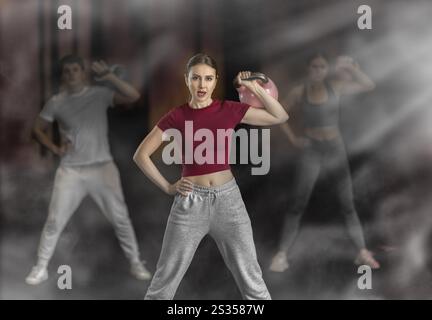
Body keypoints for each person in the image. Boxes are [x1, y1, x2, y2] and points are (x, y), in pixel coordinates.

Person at [133, 53, 288, 299]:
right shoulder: (177, 116)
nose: (202, 85)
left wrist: (252, 87)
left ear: (215, 81)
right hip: (189, 203)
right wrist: (167, 187)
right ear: (187, 80)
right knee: (164, 281)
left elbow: (280, 116)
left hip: (229, 202)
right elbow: (141, 155)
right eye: (196, 78)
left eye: (208, 79)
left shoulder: (229, 109)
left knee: (252, 278)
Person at [25, 54, 151, 285]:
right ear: (63, 75)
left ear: (82, 73)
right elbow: (37, 129)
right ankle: (40, 268)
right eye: (67, 71)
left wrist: (110, 76)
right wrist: (54, 147)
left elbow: (133, 95)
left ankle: (136, 263)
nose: (72, 74)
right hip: (71, 171)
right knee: (54, 221)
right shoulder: (57, 102)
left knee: (121, 218)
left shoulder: (98, 95)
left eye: (76, 70)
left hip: (102, 168)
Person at [269, 53, 380, 272]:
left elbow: (368, 86)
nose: (318, 71)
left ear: (325, 69)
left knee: (347, 203)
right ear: (309, 69)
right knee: (298, 202)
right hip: (312, 148)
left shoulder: (335, 87)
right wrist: (293, 139)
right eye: (314, 67)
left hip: (334, 147)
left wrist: (351, 67)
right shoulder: (300, 91)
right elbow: (279, 112)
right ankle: (281, 255)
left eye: (322, 67)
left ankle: (362, 252)